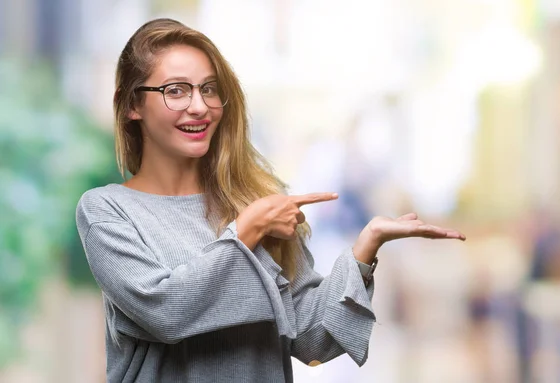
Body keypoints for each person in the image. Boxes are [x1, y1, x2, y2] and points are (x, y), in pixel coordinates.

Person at [75, 18, 466, 383]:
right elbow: (166, 312)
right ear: (132, 105)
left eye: (209, 89)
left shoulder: (253, 200)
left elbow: (312, 341)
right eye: (175, 90)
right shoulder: (107, 211)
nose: (199, 106)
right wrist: (247, 230)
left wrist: (365, 249)